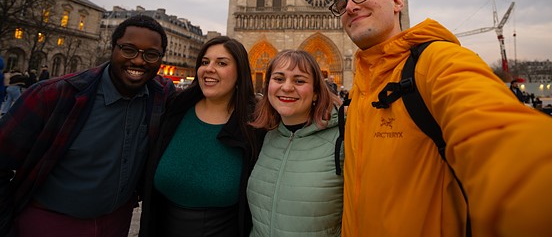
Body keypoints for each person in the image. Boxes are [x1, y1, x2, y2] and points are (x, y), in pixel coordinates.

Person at [330, 0, 552, 236]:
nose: (350, 6)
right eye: (341, 5)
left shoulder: (439, 62)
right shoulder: (362, 85)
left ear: (398, 1)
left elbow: (498, 139)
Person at [0, 15, 175, 237]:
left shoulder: (160, 95)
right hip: (50, 222)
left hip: (117, 222)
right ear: (112, 49)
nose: (139, 61)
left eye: (151, 54)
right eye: (128, 49)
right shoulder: (53, 95)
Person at [139, 36, 263, 237]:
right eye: (205, 62)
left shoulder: (255, 126)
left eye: (221, 63)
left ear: (241, 72)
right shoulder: (175, 110)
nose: (209, 68)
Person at [247, 50, 344, 236]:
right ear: (268, 86)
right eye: (279, 78)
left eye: (299, 81)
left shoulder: (343, 139)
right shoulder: (264, 136)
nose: (287, 87)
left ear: (316, 92)